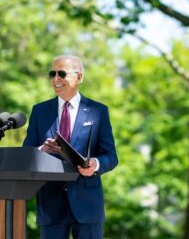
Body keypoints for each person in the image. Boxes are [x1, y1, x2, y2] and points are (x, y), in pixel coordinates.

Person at [23, 55, 118, 239]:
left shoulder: (99, 111)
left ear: (79, 77)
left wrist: (95, 164)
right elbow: (27, 153)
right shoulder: (39, 111)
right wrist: (42, 150)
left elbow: (111, 156)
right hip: (50, 205)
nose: (55, 79)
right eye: (52, 74)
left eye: (62, 74)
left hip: (88, 206)